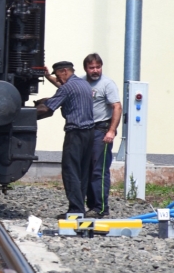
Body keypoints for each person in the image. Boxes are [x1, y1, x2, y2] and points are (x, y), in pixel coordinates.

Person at [45, 54, 122, 218]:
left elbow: (117, 107)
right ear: (85, 68)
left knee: (98, 170)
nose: (95, 71)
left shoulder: (107, 84)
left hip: (101, 130)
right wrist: (48, 76)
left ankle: (100, 208)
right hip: (87, 130)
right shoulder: (81, 82)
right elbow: (64, 87)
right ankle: (85, 207)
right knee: (85, 170)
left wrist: (112, 131)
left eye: (98, 67)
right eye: (91, 68)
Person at [36, 61, 94, 219]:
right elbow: (66, 97)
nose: (57, 79)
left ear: (64, 72)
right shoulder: (83, 84)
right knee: (82, 172)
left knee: (71, 171)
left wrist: (25, 114)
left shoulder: (67, 87)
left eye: (57, 75)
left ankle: (75, 210)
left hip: (75, 133)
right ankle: (79, 208)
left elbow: (48, 110)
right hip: (89, 133)